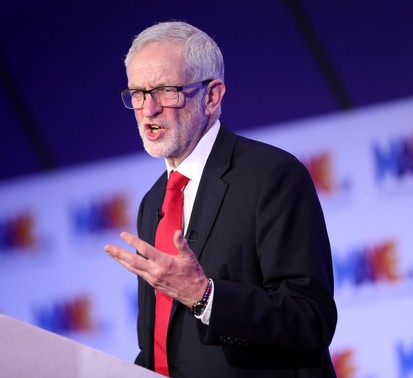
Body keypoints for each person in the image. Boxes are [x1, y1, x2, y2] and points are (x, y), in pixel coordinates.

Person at [104, 21, 337, 377]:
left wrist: (204, 295)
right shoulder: (153, 203)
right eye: (138, 93)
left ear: (211, 96)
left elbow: (310, 319)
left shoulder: (271, 176)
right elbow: (163, 346)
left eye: (166, 91)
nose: (148, 110)